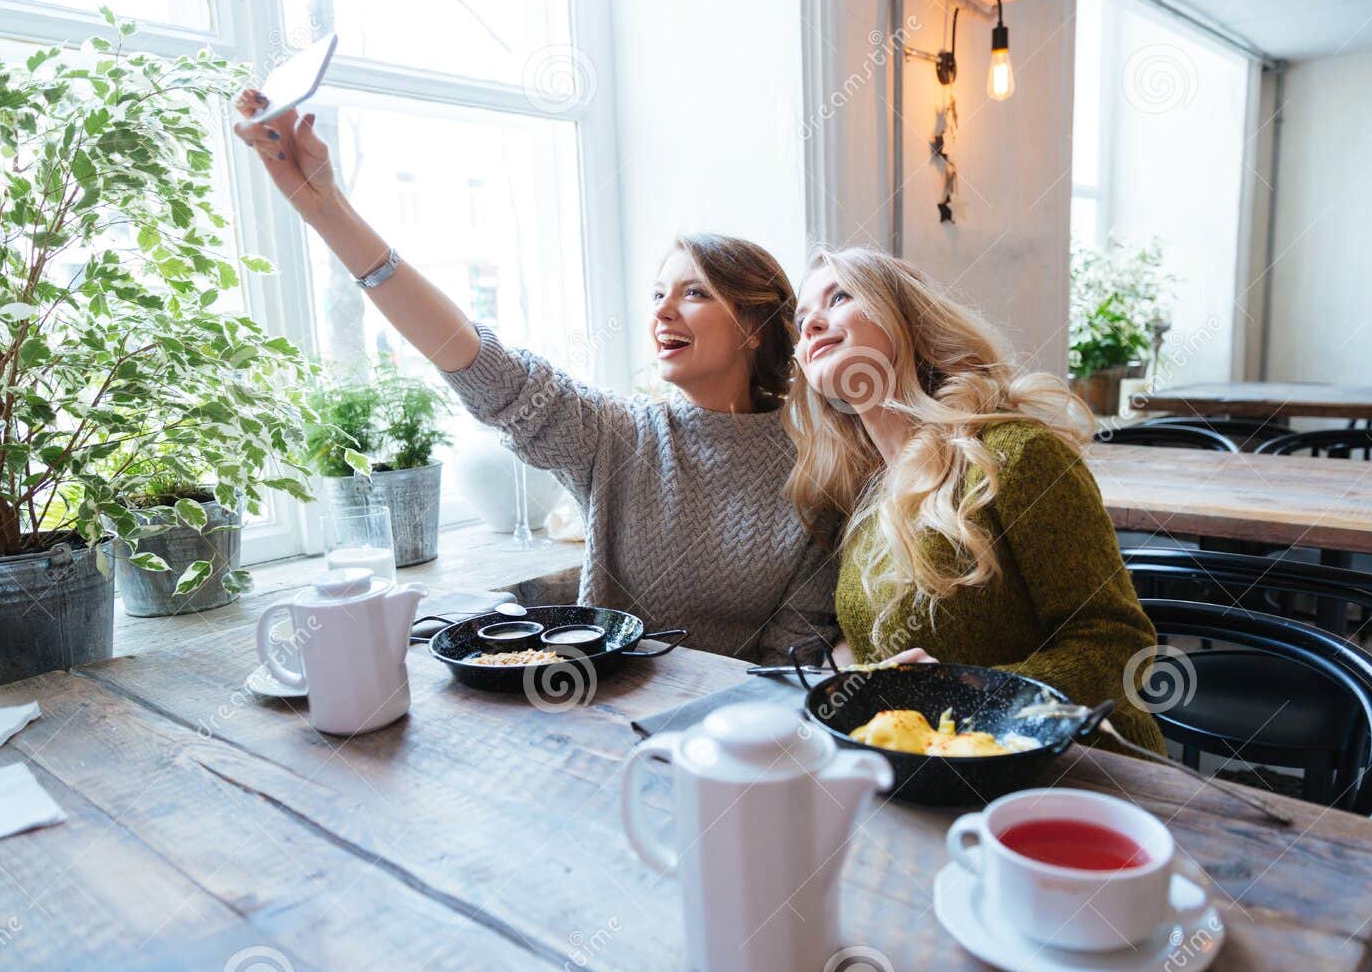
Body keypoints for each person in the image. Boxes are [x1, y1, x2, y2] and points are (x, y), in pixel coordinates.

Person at [232, 104, 837, 662]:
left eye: (694, 292)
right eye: (657, 294)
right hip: (593, 715)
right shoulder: (618, 437)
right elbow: (474, 360)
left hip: (735, 741)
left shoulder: (819, 464)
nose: (660, 313)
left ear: (755, 326)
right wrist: (327, 210)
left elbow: (795, 653)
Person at [785, 246, 1163, 752]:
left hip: (1082, 770)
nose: (811, 326)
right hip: (943, 772)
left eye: (840, 296)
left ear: (908, 319)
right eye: (802, 318)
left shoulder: (1018, 456)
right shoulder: (867, 488)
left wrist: (972, 695)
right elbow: (872, 643)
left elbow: (1121, 649)